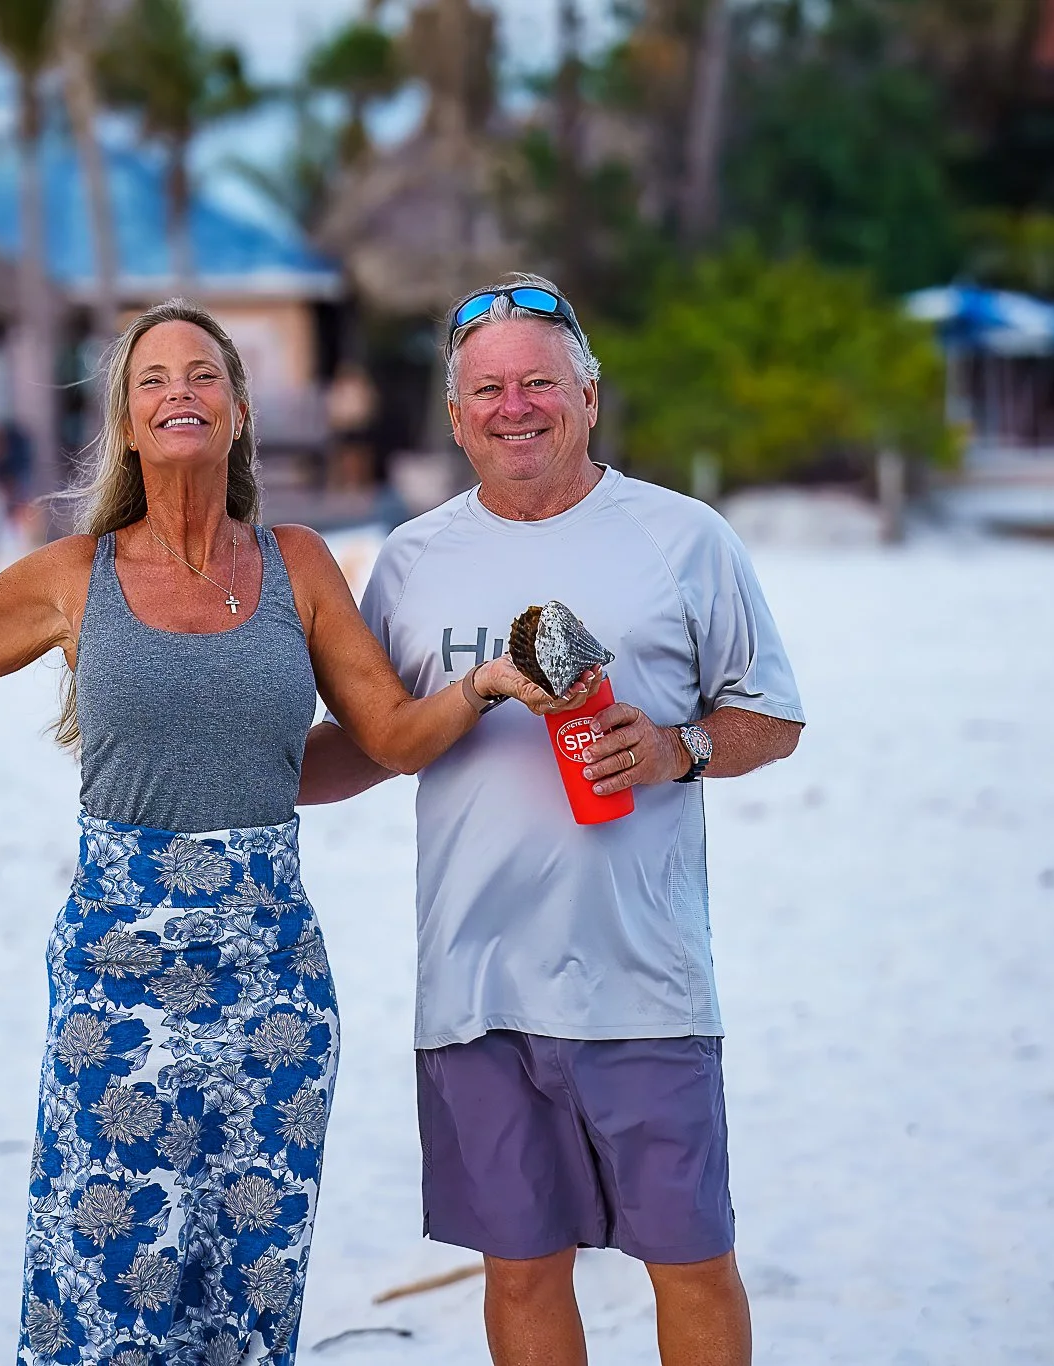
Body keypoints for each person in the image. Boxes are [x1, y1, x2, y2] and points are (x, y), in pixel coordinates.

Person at [0, 300, 588, 1366]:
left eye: (200, 376)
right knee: (103, 1285)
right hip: (113, 973)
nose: (177, 391)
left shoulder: (299, 565)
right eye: (151, 381)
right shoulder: (73, 575)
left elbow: (392, 736)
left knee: (245, 1296)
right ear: (129, 427)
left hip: (269, 982)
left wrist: (489, 682)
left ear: (235, 414)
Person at [300, 275, 806, 1366]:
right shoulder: (412, 559)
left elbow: (772, 715)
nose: (513, 405)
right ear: (453, 415)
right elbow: (381, 743)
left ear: (587, 395)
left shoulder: (682, 538)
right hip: (473, 982)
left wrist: (679, 747)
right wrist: (226, 769)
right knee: (520, 1267)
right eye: (487, 389)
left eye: (538, 381)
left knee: (689, 1256)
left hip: (643, 975)